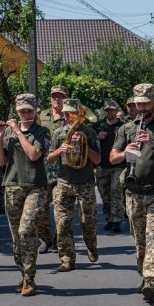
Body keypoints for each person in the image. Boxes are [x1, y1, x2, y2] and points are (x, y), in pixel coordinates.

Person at [110, 83, 154, 303]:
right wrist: (125, 153)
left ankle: (151, 280)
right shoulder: (127, 128)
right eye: (138, 103)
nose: (142, 107)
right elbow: (112, 158)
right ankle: (147, 272)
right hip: (133, 193)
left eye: (146, 103)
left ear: (153, 102)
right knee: (140, 242)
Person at [0, 94, 50, 296]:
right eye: (21, 111)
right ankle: (23, 274)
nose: (25, 114)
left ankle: (29, 277)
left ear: (35, 111)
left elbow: (34, 155)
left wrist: (18, 132)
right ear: (17, 112)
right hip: (11, 185)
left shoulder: (42, 132)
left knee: (26, 230)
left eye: (29, 110)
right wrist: (0, 137)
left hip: (35, 186)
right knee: (16, 237)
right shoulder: (9, 131)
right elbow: (1, 162)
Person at [47, 98, 101, 272]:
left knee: (88, 222)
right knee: (62, 223)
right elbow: (49, 158)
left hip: (85, 183)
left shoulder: (90, 133)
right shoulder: (58, 133)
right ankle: (67, 259)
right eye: (66, 114)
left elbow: (98, 160)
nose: (69, 117)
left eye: (73, 114)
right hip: (64, 183)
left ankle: (91, 247)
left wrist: (85, 146)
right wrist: (60, 150)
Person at [36, 85, 68, 253]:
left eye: (60, 96)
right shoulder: (40, 116)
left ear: (66, 98)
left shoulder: (71, 116)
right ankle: (45, 239)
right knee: (41, 206)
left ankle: (58, 239)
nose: (57, 99)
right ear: (50, 98)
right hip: (44, 167)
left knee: (60, 206)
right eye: (54, 96)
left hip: (64, 167)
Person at [94, 99, 126, 233]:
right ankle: (109, 219)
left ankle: (117, 220)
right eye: (107, 110)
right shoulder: (98, 125)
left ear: (117, 111)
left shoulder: (123, 126)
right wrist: (97, 136)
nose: (109, 112)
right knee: (104, 194)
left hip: (118, 166)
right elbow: (89, 140)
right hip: (102, 165)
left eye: (112, 110)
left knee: (116, 192)